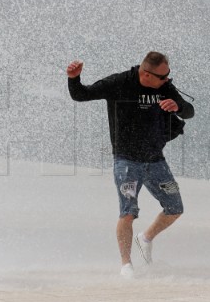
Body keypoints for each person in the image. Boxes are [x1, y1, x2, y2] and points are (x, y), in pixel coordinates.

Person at [66, 51, 194, 278]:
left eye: (168, 76)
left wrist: (177, 107)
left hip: (156, 161)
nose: (167, 81)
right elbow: (80, 94)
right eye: (162, 77)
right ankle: (126, 265)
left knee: (175, 208)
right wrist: (73, 78)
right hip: (126, 161)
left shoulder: (164, 87)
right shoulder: (118, 83)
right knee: (128, 212)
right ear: (146, 74)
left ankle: (145, 238)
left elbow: (189, 111)